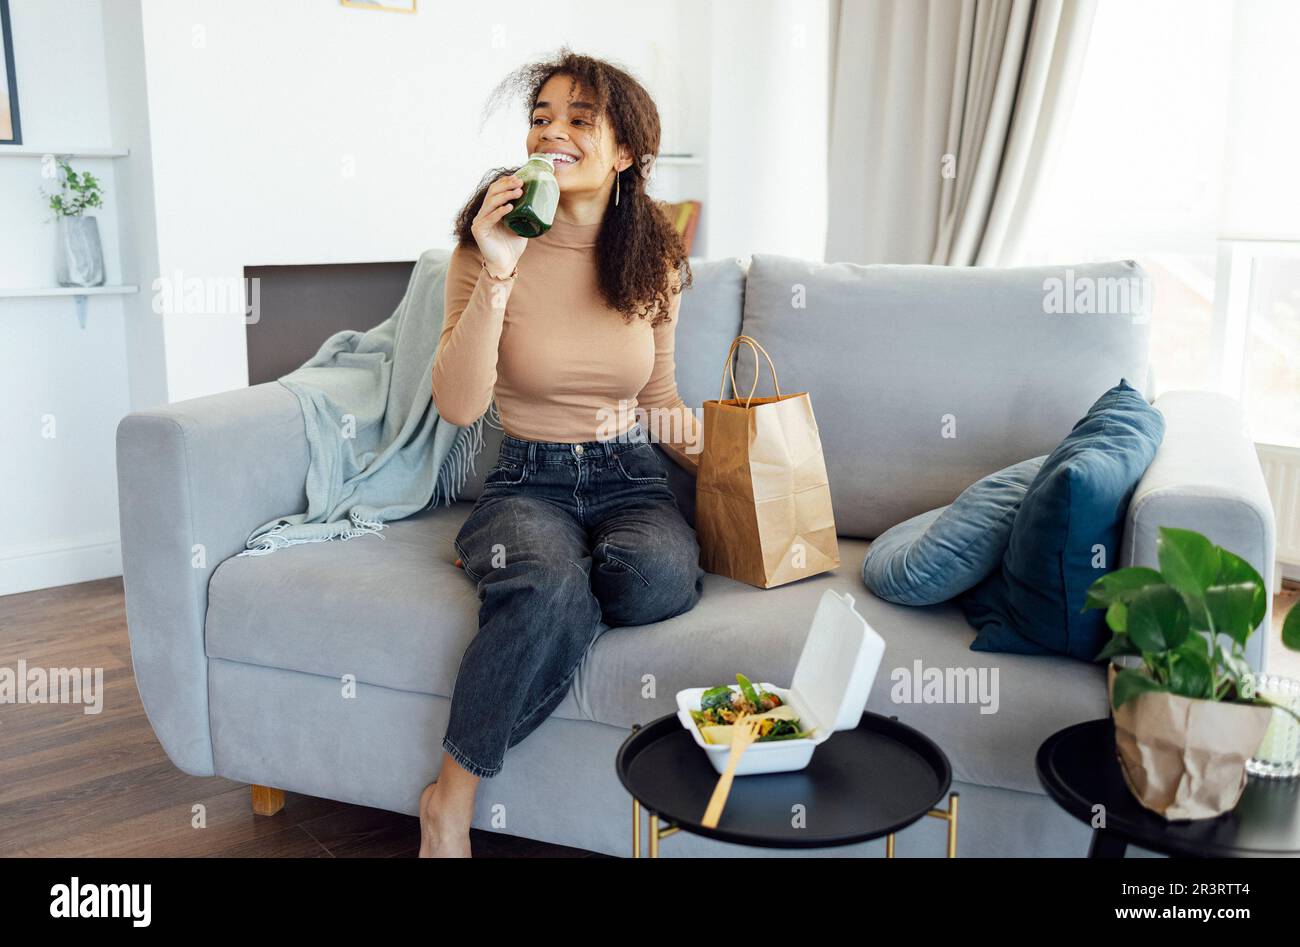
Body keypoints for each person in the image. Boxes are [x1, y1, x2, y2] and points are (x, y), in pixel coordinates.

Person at [420, 49, 705, 857]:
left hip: (630, 478)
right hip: (527, 478)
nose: (553, 131)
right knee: (546, 577)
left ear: (625, 154)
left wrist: (745, 464)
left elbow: (661, 407)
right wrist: (500, 271)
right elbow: (459, 405)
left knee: (651, 577)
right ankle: (448, 802)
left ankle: (530, 585)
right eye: (542, 117)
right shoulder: (484, 245)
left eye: (581, 119)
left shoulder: (657, 261)